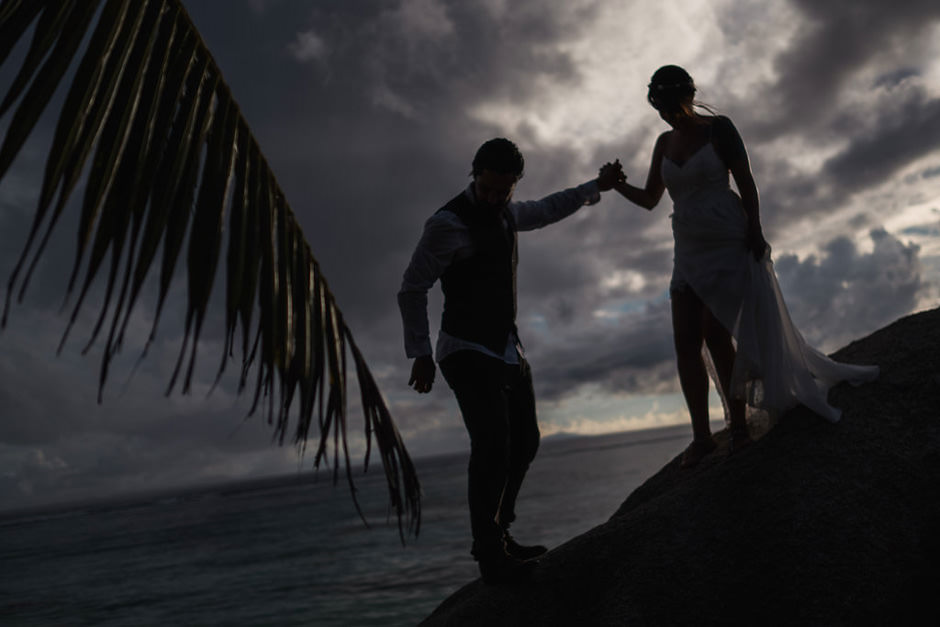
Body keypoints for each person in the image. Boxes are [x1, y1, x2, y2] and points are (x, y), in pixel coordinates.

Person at [609, 65, 878, 467]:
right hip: (688, 246)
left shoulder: (720, 129)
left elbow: (746, 180)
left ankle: (737, 425)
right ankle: (701, 437)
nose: (665, 115)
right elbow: (651, 199)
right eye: (659, 109)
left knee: (716, 333)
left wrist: (755, 229)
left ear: (687, 95)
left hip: (727, 238)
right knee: (685, 339)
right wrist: (617, 184)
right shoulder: (663, 142)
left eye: (669, 106)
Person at [398, 138, 623, 584]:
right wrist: (420, 353)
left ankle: (500, 531)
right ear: (474, 174)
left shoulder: (507, 213)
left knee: (526, 441)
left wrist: (597, 186)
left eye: (504, 190)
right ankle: (489, 554)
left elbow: (547, 208)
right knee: (492, 446)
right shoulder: (446, 224)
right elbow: (412, 287)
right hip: (464, 349)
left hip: (505, 346)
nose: (495, 197)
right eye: (488, 188)